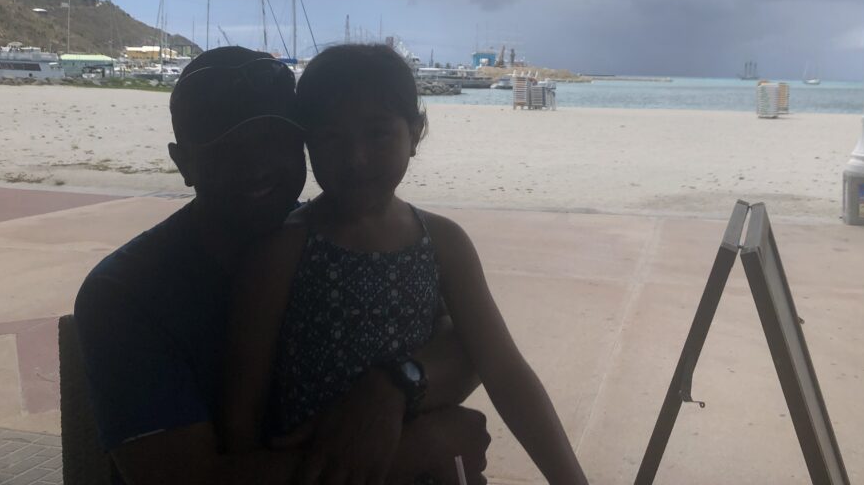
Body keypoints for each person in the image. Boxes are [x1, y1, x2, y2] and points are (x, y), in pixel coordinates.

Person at [74, 47, 488, 485]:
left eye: (276, 140)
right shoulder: (126, 293)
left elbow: (464, 343)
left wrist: (391, 388)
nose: (257, 166)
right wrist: (424, 444)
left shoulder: (341, 239)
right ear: (184, 163)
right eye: (225, 148)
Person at [222, 44, 589, 485]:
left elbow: (505, 369)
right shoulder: (283, 250)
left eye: (377, 133)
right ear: (307, 144)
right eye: (331, 138)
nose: (356, 159)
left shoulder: (444, 243)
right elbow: (241, 420)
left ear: (415, 134)